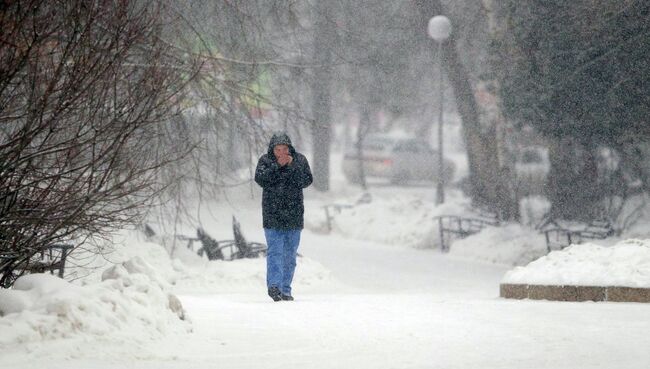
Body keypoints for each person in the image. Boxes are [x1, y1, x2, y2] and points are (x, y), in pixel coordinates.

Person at [254, 132, 313, 302]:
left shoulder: (299, 160)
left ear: (290, 148)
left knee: (290, 255)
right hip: (272, 216)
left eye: (284, 149)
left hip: (294, 215)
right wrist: (277, 166)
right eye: (277, 149)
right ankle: (274, 286)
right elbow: (261, 179)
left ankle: (285, 289)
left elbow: (306, 180)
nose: (281, 153)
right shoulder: (265, 161)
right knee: (275, 252)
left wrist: (292, 165)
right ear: (272, 150)